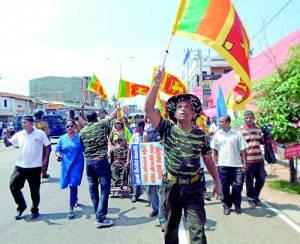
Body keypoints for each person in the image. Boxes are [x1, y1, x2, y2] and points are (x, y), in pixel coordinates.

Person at [145, 65, 221, 244]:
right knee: (171, 231)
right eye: (179, 106)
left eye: (187, 107)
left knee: (198, 232)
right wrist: (156, 83)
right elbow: (148, 108)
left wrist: (217, 182)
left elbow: (209, 160)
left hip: (194, 188)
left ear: (193, 113)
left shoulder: (201, 135)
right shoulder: (167, 128)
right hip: (171, 187)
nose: (183, 109)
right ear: (174, 112)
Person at [3, 115, 51, 220]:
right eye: (22, 123)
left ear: (31, 123)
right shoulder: (19, 134)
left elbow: (47, 146)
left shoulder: (40, 133)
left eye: (25, 122)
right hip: (20, 166)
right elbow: (8, 144)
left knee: (34, 190)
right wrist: (5, 136)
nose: (23, 124)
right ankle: (21, 206)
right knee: (13, 186)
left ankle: (35, 210)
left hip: (35, 168)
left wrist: (45, 162)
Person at [79, 105, 119, 228]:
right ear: (96, 118)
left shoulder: (82, 131)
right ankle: (100, 217)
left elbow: (82, 145)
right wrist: (117, 108)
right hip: (100, 162)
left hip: (89, 162)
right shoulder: (100, 125)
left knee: (93, 189)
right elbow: (111, 117)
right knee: (105, 189)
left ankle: (98, 213)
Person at [211, 115, 248, 215]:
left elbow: (243, 149)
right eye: (219, 121)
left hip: (237, 165)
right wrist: (215, 161)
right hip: (223, 165)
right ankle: (226, 205)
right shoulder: (218, 134)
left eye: (222, 121)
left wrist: (245, 162)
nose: (219, 123)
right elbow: (214, 148)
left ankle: (237, 205)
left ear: (228, 122)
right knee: (224, 187)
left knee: (238, 185)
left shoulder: (237, 134)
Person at [55, 119, 85, 219]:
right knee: (68, 184)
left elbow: (85, 149)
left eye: (72, 126)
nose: (70, 128)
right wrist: (58, 155)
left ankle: (71, 208)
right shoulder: (62, 138)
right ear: (65, 128)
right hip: (66, 165)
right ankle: (75, 198)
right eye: (67, 126)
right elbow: (58, 150)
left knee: (73, 184)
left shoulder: (79, 138)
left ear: (75, 127)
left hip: (77, 164)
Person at [238, 111, 267, 207]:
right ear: (244, 118)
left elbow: (261, 141)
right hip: (248, 160)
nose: (248, 119)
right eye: (246, 118)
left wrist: (267, 138)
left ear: (253, 118)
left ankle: (255, 196)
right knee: (249, 180)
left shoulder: (258, 128)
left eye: (250, 118)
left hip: (259, 159)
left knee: (261, 178)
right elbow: (238, 146)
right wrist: (243, 162)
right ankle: (251, 198)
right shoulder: (240, 130)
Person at [126, 120, 146, 203]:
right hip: (136, 161)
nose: (135, 128)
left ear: (141, 127)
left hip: (145, 161)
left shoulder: (146, 136)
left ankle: (150, 198)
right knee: (136, 178)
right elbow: (130, 149)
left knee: (146, 179)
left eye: (136, 126)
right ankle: (136, 195)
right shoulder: (134, 136)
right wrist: (128, 160)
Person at [33, 109, 51, 178]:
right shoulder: (44, 124)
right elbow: (47, 135)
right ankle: (43, 172)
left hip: (34, 144)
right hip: (43, 145)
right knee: (45, 158)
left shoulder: (32, 124)